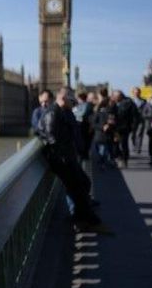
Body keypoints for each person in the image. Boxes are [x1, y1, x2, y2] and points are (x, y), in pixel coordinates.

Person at [37, 87, 107, 232]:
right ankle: (90, 222)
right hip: (61, 160)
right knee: (78, 190)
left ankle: (80, 219)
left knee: (84, 184)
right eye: (72, 101)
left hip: (67, 157)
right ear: (64, 99)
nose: (74, 104)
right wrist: (65, 159)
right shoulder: (52, 113)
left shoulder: (64, 112)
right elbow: (52, 139)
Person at [110, 90, 137, 168]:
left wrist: (133, 127)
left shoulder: (128, 102)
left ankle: (125, 159)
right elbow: (110, 113)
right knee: (115, 144)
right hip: (115, 128)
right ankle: (119, 156)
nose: (115, 98)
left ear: (120, 96)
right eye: (114, 97)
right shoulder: (113, 103)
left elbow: (134, 115)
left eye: (116, 97)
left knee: (124, 144)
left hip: (124, 127)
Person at [92, 93, 116, 170]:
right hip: (100, 136)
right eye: (111, 102)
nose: (112, 103)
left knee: (109, 150)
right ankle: (102, 164)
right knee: (102, 151)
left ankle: (109, 162)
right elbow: (93, 124)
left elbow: (114, 123)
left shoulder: (112, 113)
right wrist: (102, 127)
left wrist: (113, 124)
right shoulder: (99, 112)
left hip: (110, 135)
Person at [73, 92, 94, 162]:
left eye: (78, 99)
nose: (77, 100)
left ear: (80, 99)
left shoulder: (87, 105)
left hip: (85, 126)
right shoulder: (78, 106)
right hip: (80, 126)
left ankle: (84, 156)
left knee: (85, 141)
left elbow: (82, 113)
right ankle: (83, 156)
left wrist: (76, 114)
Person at [130, 87, 148, 153]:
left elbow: (146, 108)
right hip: (133, 120)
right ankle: (134, 145)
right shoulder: (130, 101)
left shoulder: (144, 100)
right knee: (132, 135)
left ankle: (138, 148)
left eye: (138, 92)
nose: (137, 94)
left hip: (141, 119)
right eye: (135, 92)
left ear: (140, 93)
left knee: (139, 134)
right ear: (133, 93)